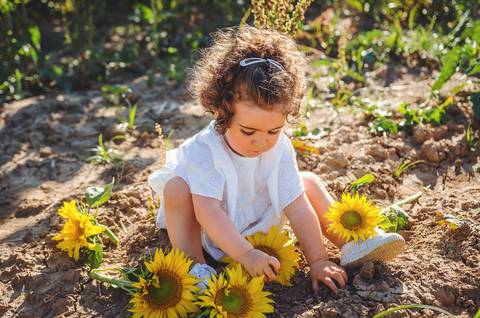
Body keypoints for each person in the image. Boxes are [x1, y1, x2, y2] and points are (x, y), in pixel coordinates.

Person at [148, 25, 405, 293]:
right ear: (221, 111)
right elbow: (208, 212)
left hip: (259, 224)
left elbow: (295, 204)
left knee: (307, 183)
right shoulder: (205, 150)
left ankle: (351, 242)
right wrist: (246, 254)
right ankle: (194, 266)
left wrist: (317, 259)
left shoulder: (279, 147)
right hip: (213, 230)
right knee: (177, 188)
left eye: (273, 130)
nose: (261, 141)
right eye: (248, 131)